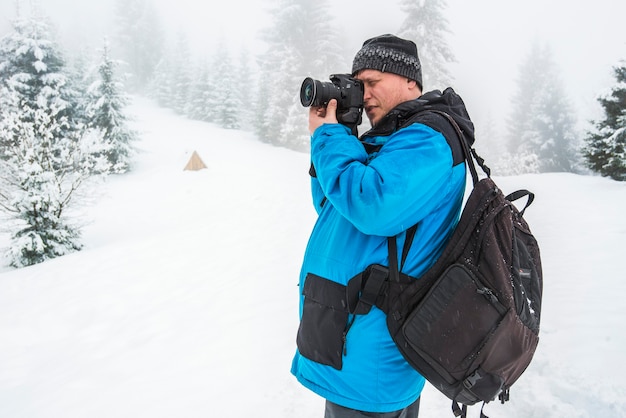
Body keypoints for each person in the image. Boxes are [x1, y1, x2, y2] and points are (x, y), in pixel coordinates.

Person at [291, 34, 476, 418]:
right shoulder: (391, 139)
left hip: (373, 347)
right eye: (359, 85)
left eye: (372, 82)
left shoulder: (429, 138)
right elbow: (331, 206)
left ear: (410, 81)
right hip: (350, 334)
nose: (365, 93)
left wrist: (327, 139)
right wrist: (336, 136)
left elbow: (371, 205)